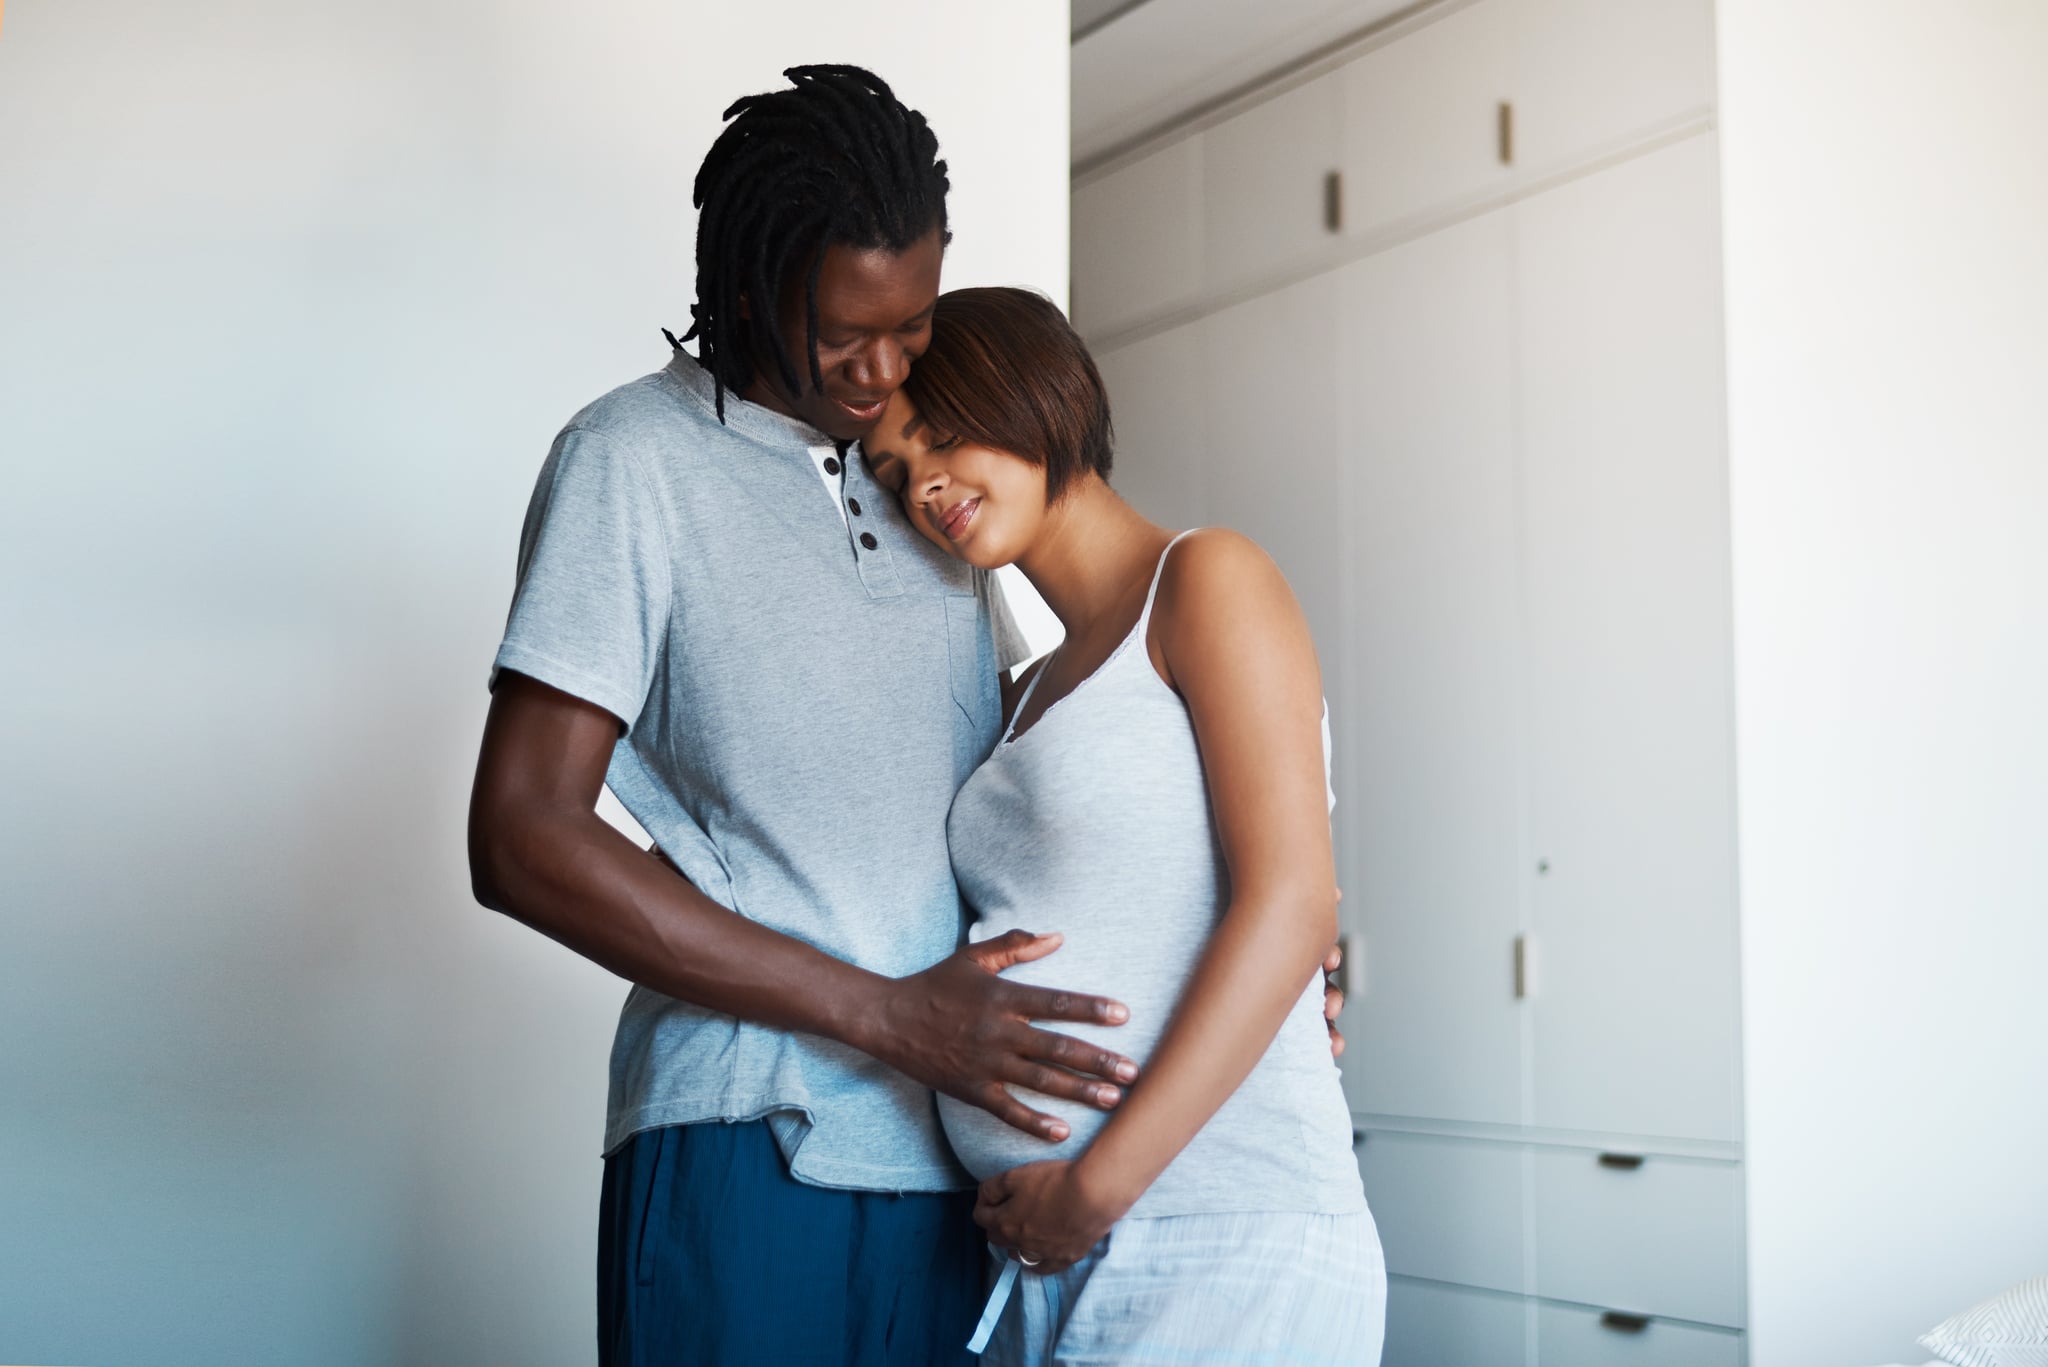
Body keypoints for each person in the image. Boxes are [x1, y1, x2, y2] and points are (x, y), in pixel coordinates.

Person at [467, 67, 1142, 1366]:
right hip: (748, 1144)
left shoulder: (928, 480)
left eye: (912, 324)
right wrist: (891, 1014)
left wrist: (1263, 935)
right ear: (744, 285)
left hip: (953, 1160)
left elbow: (1044, 759)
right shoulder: (630, 463)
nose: (882, 371)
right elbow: (521, 833)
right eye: (844, 332)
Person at [861, 286, 1386, 1365]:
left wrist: (1094, 1187)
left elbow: (1289, 900)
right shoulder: (1011, 691)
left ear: (1033, 390)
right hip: (1046, 1254)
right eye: (895, 472)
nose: (924, 485)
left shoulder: (1204, 578)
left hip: (1223, 1225)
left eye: (941, 434)